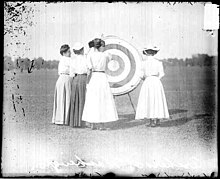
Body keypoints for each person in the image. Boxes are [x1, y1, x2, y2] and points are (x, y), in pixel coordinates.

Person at [82, 38, 118, 130]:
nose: (104, 48)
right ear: (100, 46)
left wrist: (87, 81)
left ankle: (93, 123)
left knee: (93, 99)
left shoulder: (90, 56)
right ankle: (101, 124)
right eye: (103, 46)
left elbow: (89, 69)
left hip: (94, 77)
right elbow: (111, 57)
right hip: (102, 77)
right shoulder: (105, 55)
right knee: (102, 99)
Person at [135, 45, 169, 127]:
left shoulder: (143, 63)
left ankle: (151, 121)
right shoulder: (158, 63)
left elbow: (140, 75)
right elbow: (161, 74)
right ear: (154, 53)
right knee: (157, 99)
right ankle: (157, 120)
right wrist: (156, 79)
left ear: (146, 53)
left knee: (149, 99)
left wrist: (146, 79)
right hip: (156, 82)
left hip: (148, 82)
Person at [68, 42, 89, 127]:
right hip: (84, 78)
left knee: (75, 99)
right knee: (83, 99)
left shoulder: (73, 60)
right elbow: (88, 70)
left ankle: (75, 122)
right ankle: (82, 121)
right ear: (82, 50)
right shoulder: (86, 59)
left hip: (75, 79)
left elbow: (71, 73)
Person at [52, 44, 72, 125]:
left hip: (60, 79)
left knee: (61, 99)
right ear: (64, 52)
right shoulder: (67, 59)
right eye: (68, 52)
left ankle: (59, 118)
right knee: (67, 99)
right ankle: (65, 119)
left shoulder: (62, 59)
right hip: (65, 78)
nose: (70, 53)